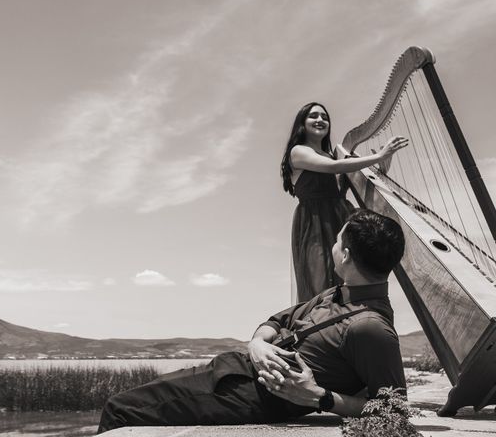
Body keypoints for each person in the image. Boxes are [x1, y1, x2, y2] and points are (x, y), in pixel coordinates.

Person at [98, 209, 407, 433]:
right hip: (233, 367)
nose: (334, 247)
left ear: (346, 256)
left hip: (250, 396)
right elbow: (277, 319)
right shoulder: (339, 292)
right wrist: (257, 343)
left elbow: (395, 409)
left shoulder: (371, 327)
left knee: (120, 409)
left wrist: (319, 397)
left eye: (338, 242)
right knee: (128, 402)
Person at [281, 102, 408, 302]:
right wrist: (377, 156)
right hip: (315, 224)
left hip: (341, 219)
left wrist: (382, 163)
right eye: (313, 116)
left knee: (351, 278)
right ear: (302, 123)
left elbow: (350, 180)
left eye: (325, 117)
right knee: (321, 281)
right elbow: (335, 167)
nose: (320, 120)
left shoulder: (333, 156)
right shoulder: (298, 151)